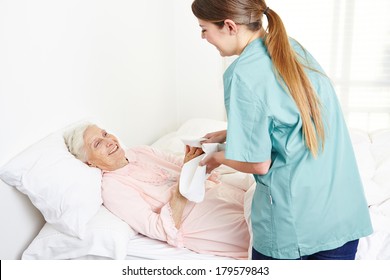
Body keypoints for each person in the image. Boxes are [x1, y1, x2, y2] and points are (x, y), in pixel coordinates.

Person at [191, 0, 373, 260]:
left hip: (298, 228)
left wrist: (216, 158)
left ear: (229, 26)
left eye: (204, 29)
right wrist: (233, 133)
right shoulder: (290, 48)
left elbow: (257, 163)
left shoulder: (243, 74)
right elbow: (292, 113)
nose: (203, 37)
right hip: (342, 215)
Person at [63, 123, 251, 259]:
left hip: (216, 192)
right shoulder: (112, 188)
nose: (109, 141)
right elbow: (159, 228)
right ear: (89, 161)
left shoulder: (140, 151)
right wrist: (185, 180)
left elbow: (180, 164)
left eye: (105, 134)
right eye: (97, 144)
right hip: (199, 220)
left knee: (267, 204)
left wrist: (196, 157)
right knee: (263, 233)